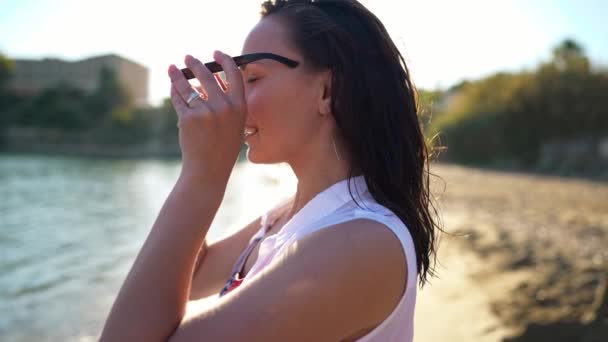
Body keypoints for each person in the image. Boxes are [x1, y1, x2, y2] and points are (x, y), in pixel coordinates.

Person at [100, 0, 441, 341]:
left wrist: (203, 177)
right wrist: (201, 168)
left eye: (252, 78)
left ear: (327, 91)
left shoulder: (363, 243)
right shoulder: (289, 214)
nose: (236, 99)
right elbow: (191, 275)